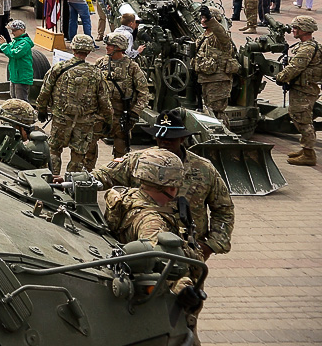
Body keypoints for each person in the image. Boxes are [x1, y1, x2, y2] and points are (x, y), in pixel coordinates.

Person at [93, 110, 234, 263]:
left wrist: (211, 245)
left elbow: (224, 209)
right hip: (141, 249)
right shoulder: (139, 160)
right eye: (161, 138)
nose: (164, 142)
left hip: (188, 252)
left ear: (182, 139)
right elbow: (103, 175)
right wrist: (72, 181)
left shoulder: (204, 169)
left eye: (170, 139)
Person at [99, 149, 207, 328]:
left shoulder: (130, 196)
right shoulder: (151, 221)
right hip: (162, 310)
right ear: (172, 186)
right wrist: (183, 288)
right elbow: (161, 261)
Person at [34, 34, 112, 175]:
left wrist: (41, 109)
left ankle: (53, 181)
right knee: (78, 155)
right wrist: (108, 119)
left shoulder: (58, 68)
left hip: (61, 120)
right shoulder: (96, 73)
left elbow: (45, 91)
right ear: (88, 51)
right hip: (84, 122)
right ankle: (72, 186)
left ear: (73, 48)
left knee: (54, 151)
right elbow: (104, 100)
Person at [95, 34, 150, 159]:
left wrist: (135, 112)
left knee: (121, 154)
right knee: (89, 151)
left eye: (110, 45)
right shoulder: (100, 63)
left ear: (119, 47)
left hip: (121, 116)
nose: (107, 47)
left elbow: (144, 93)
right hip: (100, 115)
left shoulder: (132, 67)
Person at [277, 16, 322, 166]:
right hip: (302, 88)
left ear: (304, 30)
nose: (293, 30)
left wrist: (281, 77)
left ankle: (309, 154)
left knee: (303, 120)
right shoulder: (305, 45)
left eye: (296, 27)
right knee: (298, 116)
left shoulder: (307, 49)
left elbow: (295, 67)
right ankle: (305, 149)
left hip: (305, 89)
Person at [0, 20, 34, 100]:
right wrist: (5, 44)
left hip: (22, 77)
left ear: (21, 30)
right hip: (15, 76)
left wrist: (4, 45)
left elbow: (14, 54)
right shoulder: (15, 42)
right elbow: (10, 49)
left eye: (14, 30)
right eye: (11, 31)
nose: (12, 33)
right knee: (14, 99)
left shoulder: (25, 43)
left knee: (21, 101)